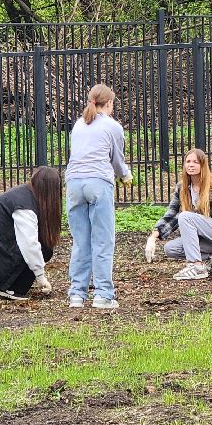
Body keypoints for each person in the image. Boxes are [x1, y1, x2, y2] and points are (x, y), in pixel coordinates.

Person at [64, 83, 132, 310]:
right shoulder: (112, 126)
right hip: (98, 183)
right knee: (102, 240)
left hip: (74, 184)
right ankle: (103, 294)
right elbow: (117, 160)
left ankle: (77, 294)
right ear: (109, 103)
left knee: (81, 241)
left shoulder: (79, 124)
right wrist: (125, 175)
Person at [144, 148, 212, 280]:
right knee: (170, 249)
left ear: (203, 165)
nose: (191, 165)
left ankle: (196, 267)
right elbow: (172, 215)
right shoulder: (182, 187)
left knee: (186, 216)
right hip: (206, 241)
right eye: (188, 161)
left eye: (195, 162)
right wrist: (153, 237)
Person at [0, 167, 62, 301]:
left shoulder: (27, 195)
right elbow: (29, 244)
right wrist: (40, 276)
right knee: (43, 249)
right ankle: (9, 288)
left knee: (45, 248)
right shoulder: (25, 207)